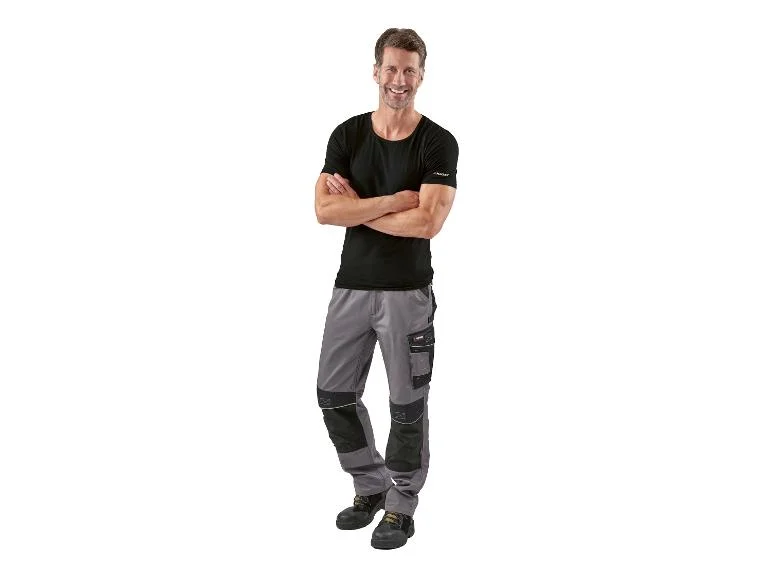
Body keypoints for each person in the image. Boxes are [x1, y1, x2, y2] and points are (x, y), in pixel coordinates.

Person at [314, 27, 458, 550]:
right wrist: (394, 200)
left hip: (406, 293)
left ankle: (401, 502)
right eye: (391, 68)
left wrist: (358, 207)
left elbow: (427, 223)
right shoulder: (347, 135)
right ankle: (369, 485)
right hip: (350, 288)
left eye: (409, 71)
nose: (399, 80)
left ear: (421, 75)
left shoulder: (437, 142)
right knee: (333, 394)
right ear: (376, 70)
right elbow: (324, 210)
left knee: (406, 404)